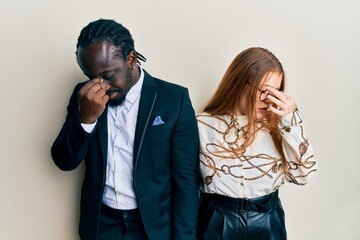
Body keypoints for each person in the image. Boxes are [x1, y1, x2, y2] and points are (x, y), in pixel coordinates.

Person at [51, 19, 199, 240]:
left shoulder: (174, 99)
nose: (101, 86)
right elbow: (64, 161)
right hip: (101, 225)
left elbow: (186, 180)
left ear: (131, 59)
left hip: (154, 228)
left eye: (108, 76)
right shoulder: (84, 97)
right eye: (92, 77)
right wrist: (86, 118)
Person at [196, 47, 318, 240]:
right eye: (265, 91)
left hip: (268, 221)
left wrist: (291, 120)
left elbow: (303, 175)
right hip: (216, 221)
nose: (270, 100)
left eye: (276, 92)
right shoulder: (202, 125)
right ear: (240, 84)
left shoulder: (279, 124)